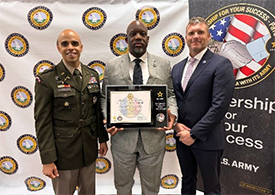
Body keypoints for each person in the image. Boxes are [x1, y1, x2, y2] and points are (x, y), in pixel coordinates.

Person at [101, 20, 177, 195]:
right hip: (122, 139)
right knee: (122, 187)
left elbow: (170, 95)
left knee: (151, 188)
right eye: (133, 34)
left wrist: (172, 113)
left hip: (153, 140)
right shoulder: (112, 66)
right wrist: (108, 118)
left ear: (148, 39)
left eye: (142, 34)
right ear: (126, 40)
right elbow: (105, 96)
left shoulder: (164, 64)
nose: (138, 37)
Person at [34, 29, 109, 195]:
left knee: (88, 192)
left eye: (75, 43)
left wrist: (102, 139)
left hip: (88, 149)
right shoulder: (47, 79)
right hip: (63, 153)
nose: (71, 48)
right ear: (58, 48)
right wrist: (47, 159)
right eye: (65, 44)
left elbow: (96, 112)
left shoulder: (92, 75)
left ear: (81, 47)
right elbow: (43, 122)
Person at [171, 17, 235, 194]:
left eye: (200, 32)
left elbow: (220, 106)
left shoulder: (221, 65)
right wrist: (176, 126)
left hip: (208, 139)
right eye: (191, 33)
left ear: (208, 37)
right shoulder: (177, 68)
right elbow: (175, 102)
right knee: (187, 180)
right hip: (182, 137)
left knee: (211, 187)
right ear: (186, 38)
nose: (195, 36)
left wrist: (194, 133)